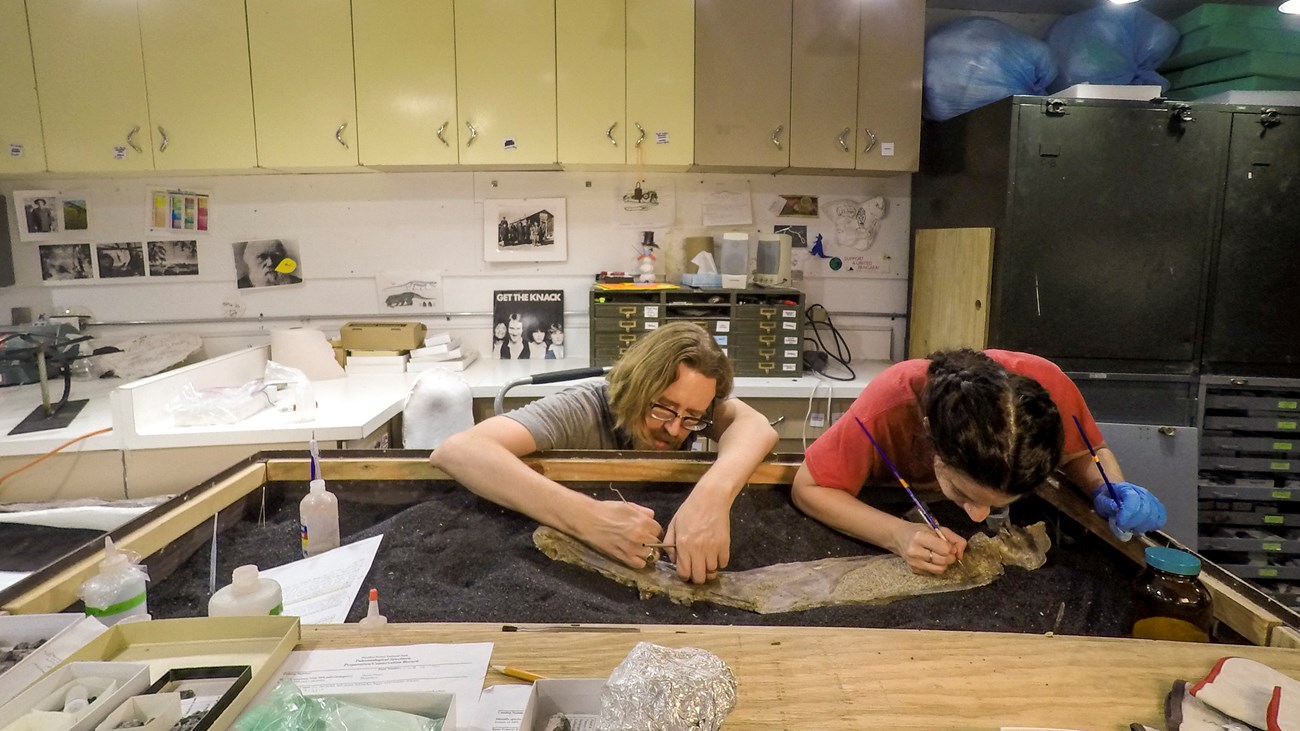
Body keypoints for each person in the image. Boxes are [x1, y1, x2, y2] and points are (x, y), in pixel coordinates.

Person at [431, 322, 779, 584]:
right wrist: (591, 520)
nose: (674, 430)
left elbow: (757, 427)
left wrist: (711, 498)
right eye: (662, 409)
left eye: (691, 418)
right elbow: (459, 451)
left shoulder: (691, 413)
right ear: (635, 387)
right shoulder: (584, 407)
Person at [792, 348, 1167, 576]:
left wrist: (1107, 486)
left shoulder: (1049, 387)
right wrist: (898, 534)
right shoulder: (889, 403)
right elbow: (809, 487)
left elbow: (1083, 454)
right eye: (962, 490)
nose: (978, 518)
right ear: (929, 433)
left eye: (998, 502)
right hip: (884, 502)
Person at [236, 239, 301, 288]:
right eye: (263, 257)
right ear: (249, 260)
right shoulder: (240, 286)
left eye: (275, 257)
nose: (270, 263)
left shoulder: (297, 283)